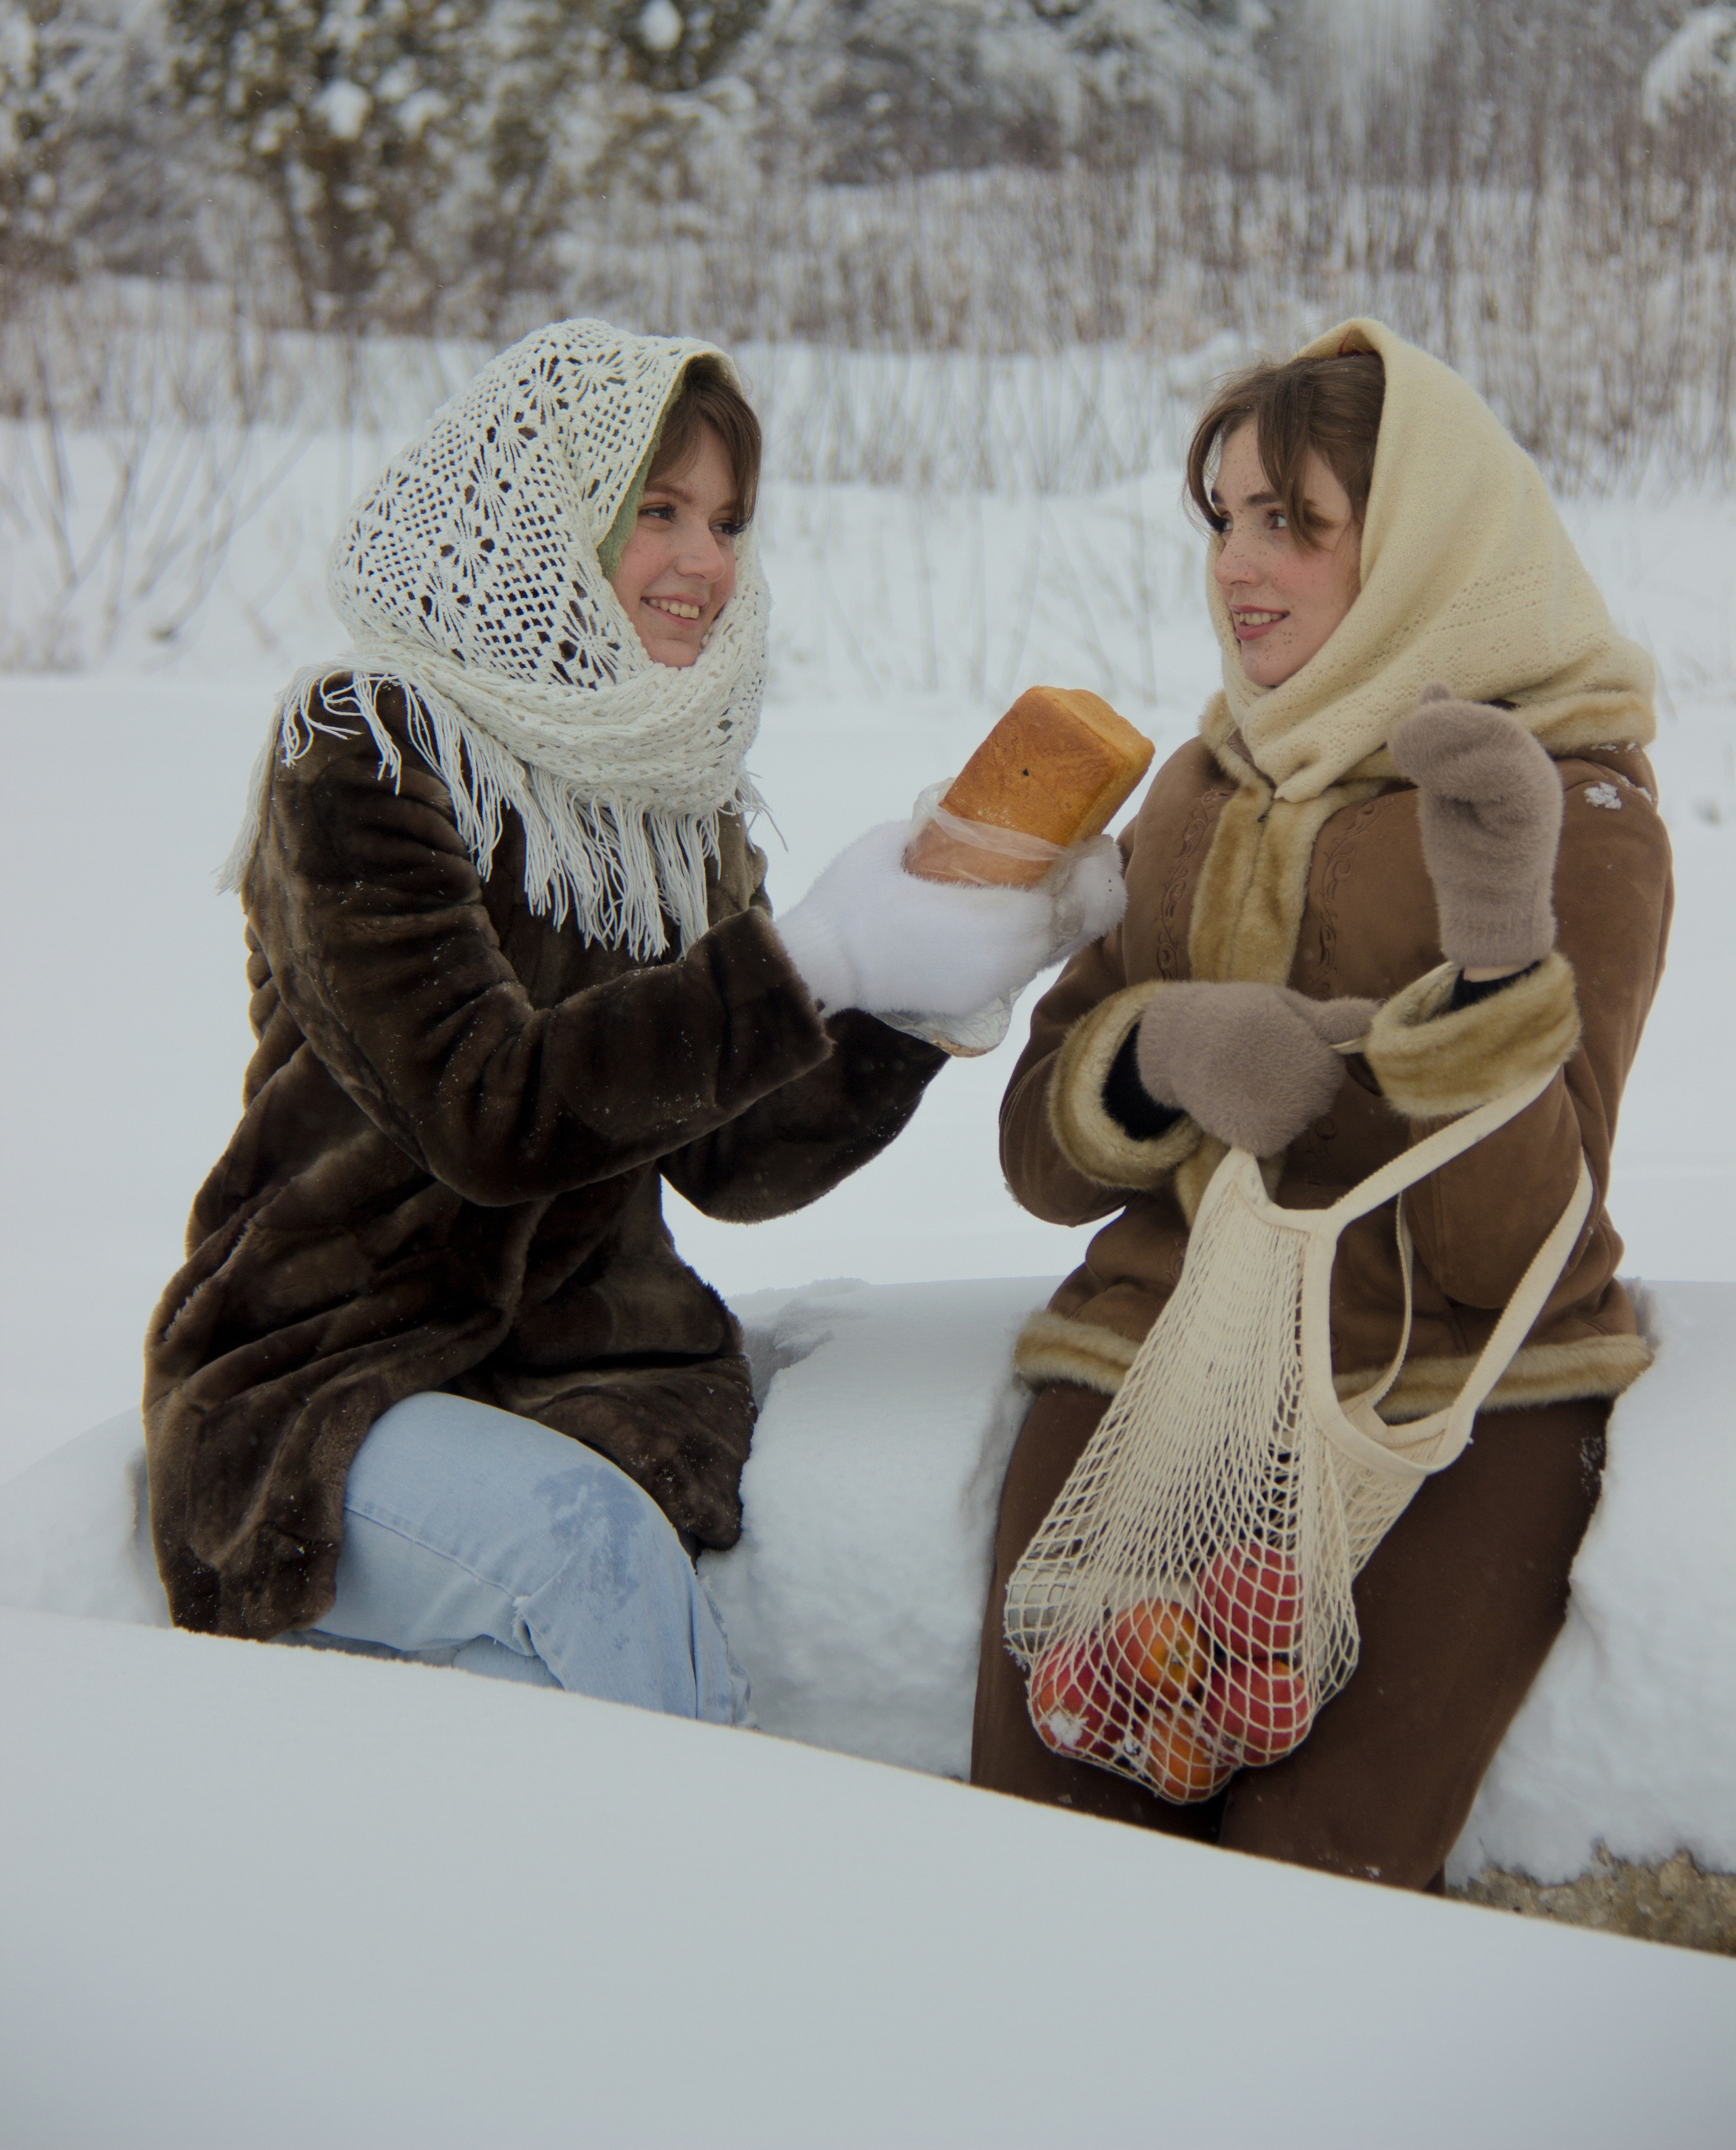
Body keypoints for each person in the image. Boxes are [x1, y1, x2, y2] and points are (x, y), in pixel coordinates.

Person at [144, 318, 1121, 1719]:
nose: (705, 563)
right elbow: (486, 1110)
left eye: (726, 520)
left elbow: (739, 1164)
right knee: (584, 1559)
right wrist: (816, 958)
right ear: (535, 514)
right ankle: (707, 1912)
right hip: (326, 1383)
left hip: (587, 1381)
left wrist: (923, 987)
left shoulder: (676, 806)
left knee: (556, 1671)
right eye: (655, 511)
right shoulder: (365, 747)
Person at [970, 317, 1671, 1889]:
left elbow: (1516, 1250)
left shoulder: (1576, 801)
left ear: (1424, 542)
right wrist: (1152, 1054)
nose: (1238, 566)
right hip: (1146, 1371)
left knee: (1309, 1892)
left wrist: (1494, 949)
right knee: (1041, 1871)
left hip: (1443, 1410)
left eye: (1295, 522)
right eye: (1221, 517)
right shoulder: (1203, 781)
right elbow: (1035, 1152)